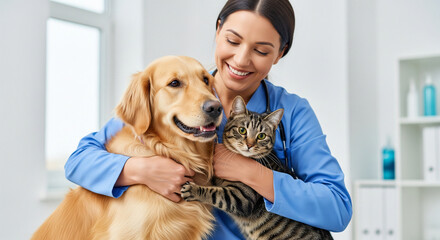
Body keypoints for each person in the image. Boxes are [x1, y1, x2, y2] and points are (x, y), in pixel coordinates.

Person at [65, 0, 352, 239]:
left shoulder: (292, 111)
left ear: (280, 53)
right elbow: (78, 161)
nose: (241, 60)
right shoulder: (170, 98)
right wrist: (141, 170)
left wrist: (249, 172)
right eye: (232, 40)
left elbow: (337, 207)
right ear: (218, 30)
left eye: (261, 50)